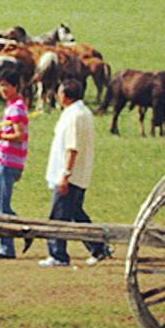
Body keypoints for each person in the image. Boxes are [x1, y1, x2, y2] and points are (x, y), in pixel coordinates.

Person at [38, 79, 112, 268]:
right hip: (75, 175)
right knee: (76, 214)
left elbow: (73, 147)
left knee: (58, 216)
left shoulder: (75, 116)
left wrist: (65, 174)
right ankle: (98, 247)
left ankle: (58, 255)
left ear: (64, 95)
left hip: (70, 175)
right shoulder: (79, 113)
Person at [0, 71, 28, 259]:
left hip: (10, 162)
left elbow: (19, 135)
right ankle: (21, 229)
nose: (3, 89)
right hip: (5, 160)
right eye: (1, 86)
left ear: (15, 87)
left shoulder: (16, 108)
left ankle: (7, 247)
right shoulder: (11, 106)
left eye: (6, 86)